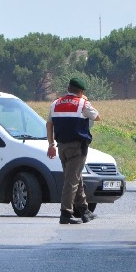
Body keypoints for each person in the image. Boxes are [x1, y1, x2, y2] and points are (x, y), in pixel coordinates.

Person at [47, 77, 100, 225]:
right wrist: (85, 100)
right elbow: (97, 117)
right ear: (81, 91)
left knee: (75, 177)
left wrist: (51, 144)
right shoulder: (83, 103)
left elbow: (49, 124)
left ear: (68, 88)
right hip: (77, 147)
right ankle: (65, 213)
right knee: (71, 181)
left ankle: (84, 210)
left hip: (61, 147)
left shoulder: (55, 103)